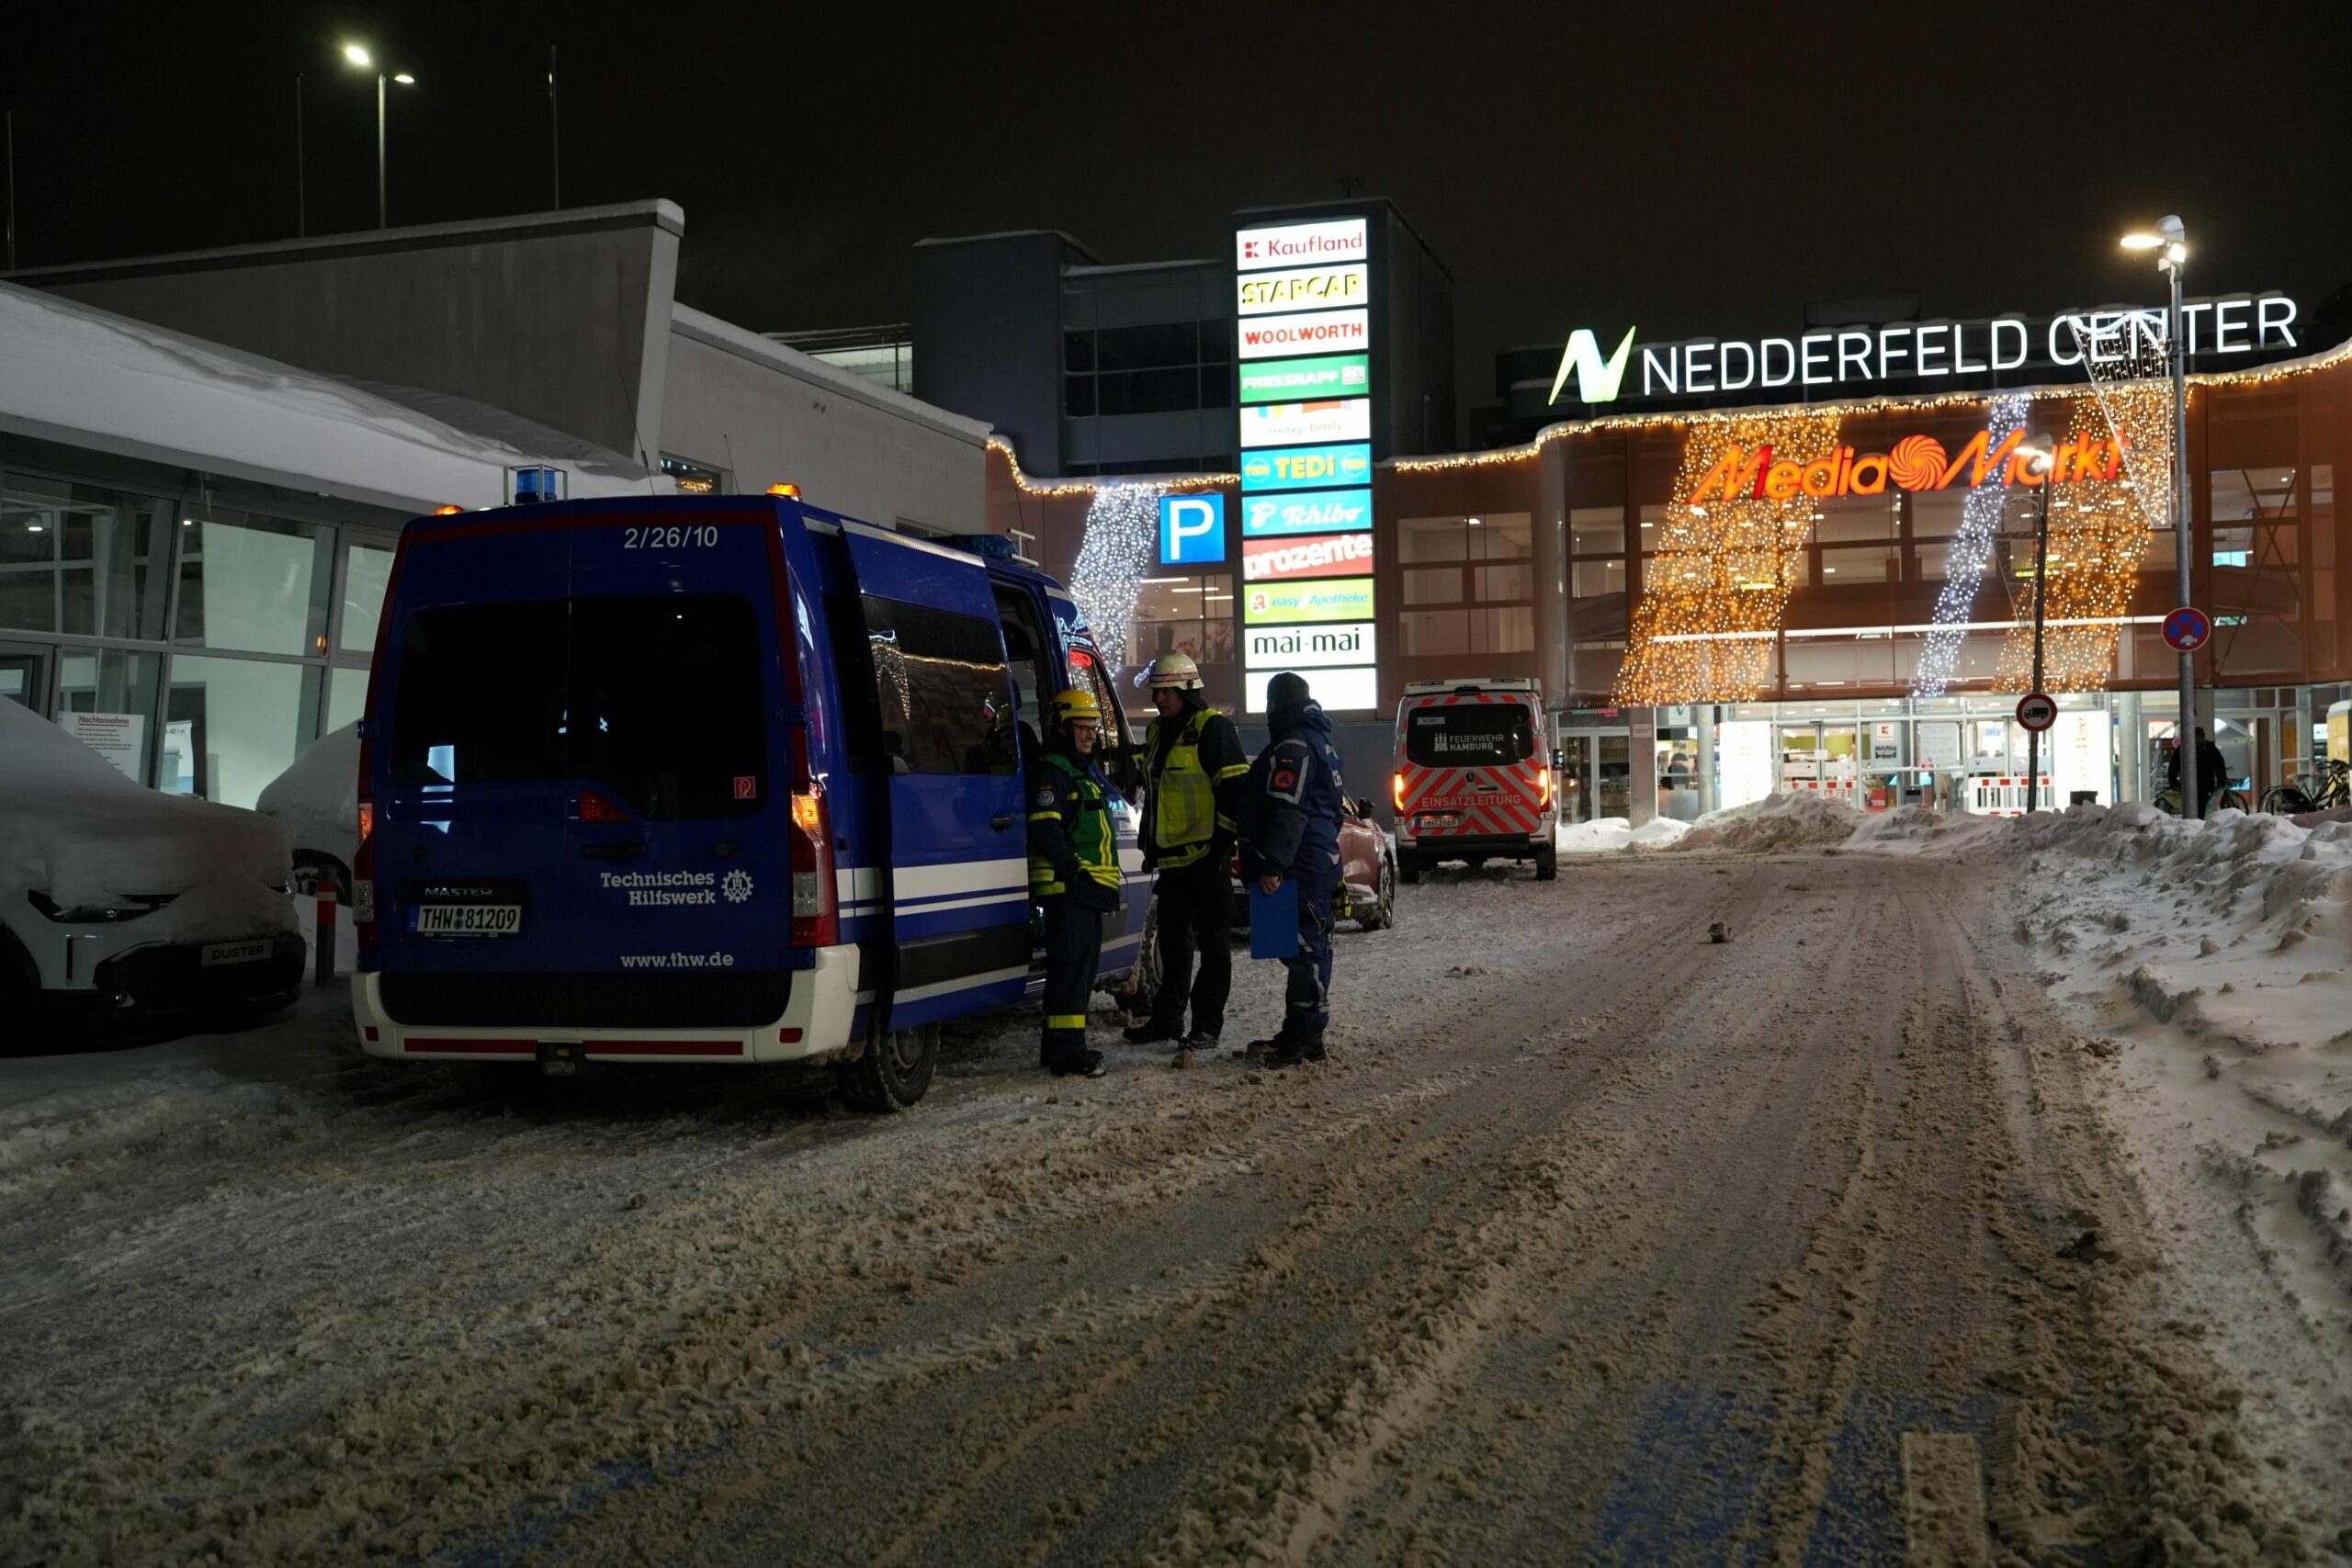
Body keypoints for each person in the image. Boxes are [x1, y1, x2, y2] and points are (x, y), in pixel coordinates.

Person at [1124, 652, 1250, 1052]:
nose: (1159, 699)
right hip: (1172, 865)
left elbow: (1235, 796)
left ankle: (1206, 1026)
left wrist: (1218, 848)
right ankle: (1167, 1020)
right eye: (1157, 692)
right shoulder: (1158, 732)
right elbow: (1156, 790)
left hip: (1206, 863)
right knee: (1172, 948)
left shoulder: (1214, 729)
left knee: (1213, 949)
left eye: (1165, 692)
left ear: (1187, 690)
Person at [1238, 671, 1347, 1068]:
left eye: (1269, 703)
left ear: (1278, 703)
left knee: (1306, 948)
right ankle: (1297, 1026)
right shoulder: (1318, 741)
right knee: (1293, 946)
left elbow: (1289, 808)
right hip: (1309, 859)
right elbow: (1330, 812)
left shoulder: (1294, 745)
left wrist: (1272, 863)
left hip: (1298, 864)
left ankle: (1308, 1035)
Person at [1027, 687, 1120, 1077]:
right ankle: (1068, 1053)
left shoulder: (1079, 771)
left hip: (1085, 890)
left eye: (1092, 729)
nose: (1089, 736)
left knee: (1076, 971)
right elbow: (1047, 834)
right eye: (1081, 728)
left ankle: (1058, 1048)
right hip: (1071, 889)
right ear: (1062, 729)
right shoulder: (1053, 771)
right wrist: (1075, 871)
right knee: (1071, 973)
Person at [2165, 726, 2233, 818]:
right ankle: (2195, 824)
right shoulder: (2205, 748)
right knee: (2194, 808)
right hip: (2194, 785)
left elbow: (2219, 765)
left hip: (2201, 785)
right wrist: (2173, 783)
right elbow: (2173, 767)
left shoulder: (2203, 748)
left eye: (2198, 738)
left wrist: (2221, 780)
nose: (2197, 741)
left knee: (2199, 808)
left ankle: (2195, 824)